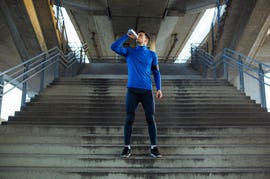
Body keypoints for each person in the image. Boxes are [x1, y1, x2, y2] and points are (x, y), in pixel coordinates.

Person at [111, 29, 163, 158]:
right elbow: (114, 47)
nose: (138, 36)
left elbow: (156, 72)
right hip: (132, 90)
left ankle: (154, 147)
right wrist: (125, 36)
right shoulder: (130, 52)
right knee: (129, 118)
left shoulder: (152, 55)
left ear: (146, 40)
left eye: (140, 35)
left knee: (150, 118)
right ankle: (126, 147)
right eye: (137, 35)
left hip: (146, 91)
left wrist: (159, 88)